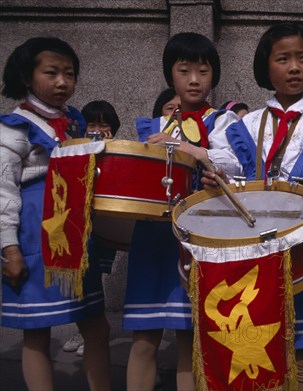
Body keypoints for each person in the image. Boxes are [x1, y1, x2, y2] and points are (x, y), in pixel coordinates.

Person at [201, 23, 303, 390]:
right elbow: (229, 167)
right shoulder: (245, 124)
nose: (295, 67)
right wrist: (215, 176)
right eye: (283, 59)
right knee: (254, 346)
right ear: (265, 67)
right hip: (252, 251)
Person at [126, 32, 238, 391]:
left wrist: (188, 148)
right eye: (184, 70)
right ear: (169, 75)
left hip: (200, 237)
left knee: (190, 341)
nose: (194, 80)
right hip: (153, 235)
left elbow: (232, 163)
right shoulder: (152, 126)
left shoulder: (223, 122)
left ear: (214, 76)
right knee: (144, 338)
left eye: (203, 71)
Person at [0, 36, 111, 391]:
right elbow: (3, 193)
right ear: (26, 76)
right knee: (36, 331)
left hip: (76, 235)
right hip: (34, 237)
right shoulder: (13, 128)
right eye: (51, 73)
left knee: (96, 325)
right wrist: (9, 250)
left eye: (69, 73)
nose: (63, 82)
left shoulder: (75, 123)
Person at [62, 99, 121, 356]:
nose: (96, 129)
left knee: (94, 277)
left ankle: (94, 331)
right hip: (78, 223)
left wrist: (106, 145)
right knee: (80, 279)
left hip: (103, 225)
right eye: (92, 124)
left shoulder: (117, 151)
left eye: (104, 124)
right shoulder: (75, 149)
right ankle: (83, 329)